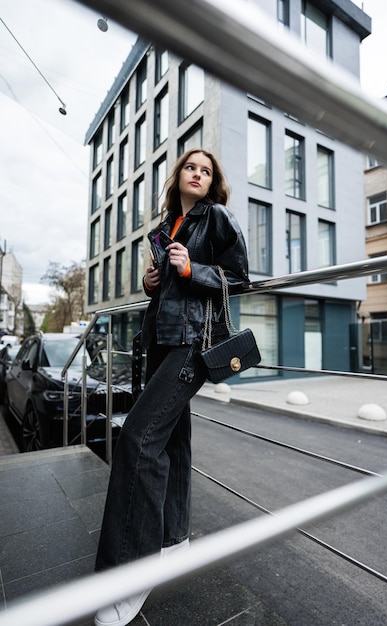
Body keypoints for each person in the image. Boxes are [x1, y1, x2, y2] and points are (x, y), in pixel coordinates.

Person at [94, 149, 249, 626]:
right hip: (160, 344)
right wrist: (151, 282)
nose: (198, 174)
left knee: (138, 438)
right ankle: (173, 539)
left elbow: (240, 277)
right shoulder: (164, 230)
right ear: (178, 177)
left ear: (212, 181)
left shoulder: (216, 218)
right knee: (172, 442)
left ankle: (128, 575)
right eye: (190, 167)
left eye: (206, 170)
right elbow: (167, 292)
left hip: (192, 345)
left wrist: (192, 270)